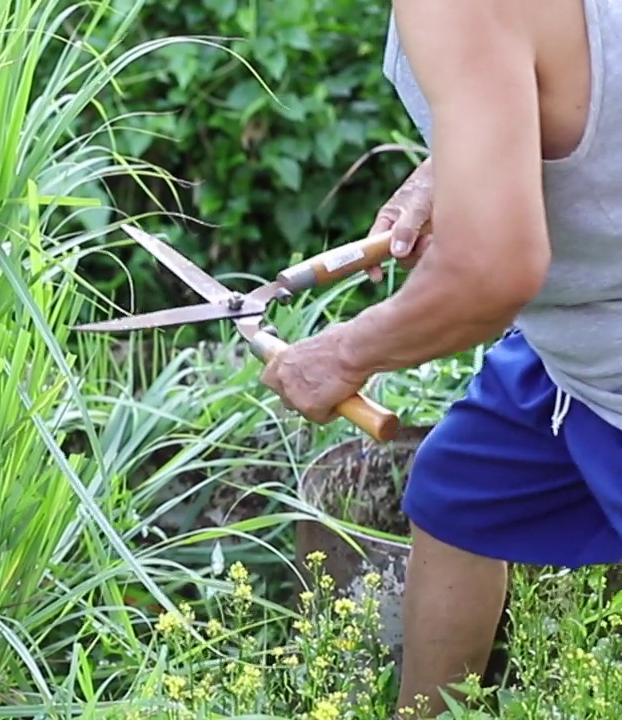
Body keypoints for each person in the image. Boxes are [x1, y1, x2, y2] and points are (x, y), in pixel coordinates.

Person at [259, 0, 622, 716]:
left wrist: (340, 354)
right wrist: (453, 166)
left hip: (608, 346)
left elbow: (490, 271)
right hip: (572, 342)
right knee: (462, 489)